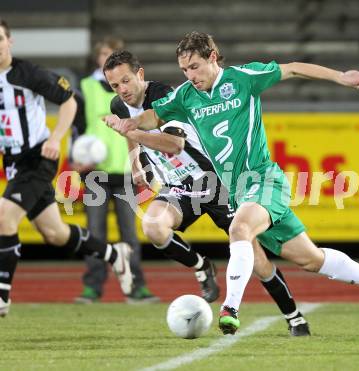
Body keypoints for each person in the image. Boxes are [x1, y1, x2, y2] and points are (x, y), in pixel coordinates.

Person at [104, 32, 359, 337]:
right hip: (237, 192)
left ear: (212, 57)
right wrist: (129, 124)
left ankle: (230, 309)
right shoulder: (185, 96)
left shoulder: (242, 78)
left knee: (239, 230)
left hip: (263, 179)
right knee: (311, 259)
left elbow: (292, 68)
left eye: (195, 67)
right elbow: (154, 116)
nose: (190, 75)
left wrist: (341, 76)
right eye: (184, 70)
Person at [103, 50, 310, 335]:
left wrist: (128, 134)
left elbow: (173, 144)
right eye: (115, 85)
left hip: (213, 183)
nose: (122, 90)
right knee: (153, 226)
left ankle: (294, 316)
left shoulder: (164, 97)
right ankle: (202, 266)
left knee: (258, 260)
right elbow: (128, 127)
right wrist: (135, 159)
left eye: (126, 81)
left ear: (140, 74)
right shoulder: (119, 105)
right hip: (179, 186)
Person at [0, 19, 133, 317]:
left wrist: (56, 138)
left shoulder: (27, 73)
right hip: (12, 163)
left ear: (10, 41)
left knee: (4, 219)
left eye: (0, 39)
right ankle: (114, 253)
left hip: (37, 159)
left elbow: (68, 101)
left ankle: (2, 295)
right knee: (55, 234)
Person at [73, 38, 157, 304]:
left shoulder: (133, 89)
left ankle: (135, 287)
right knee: (95, 233)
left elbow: (143, 128)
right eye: (103, 54)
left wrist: (142, 164)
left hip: (124, 170)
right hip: (95, 172)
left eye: (112, 54)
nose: (107, 59)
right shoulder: (86, 86)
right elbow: (77, 124)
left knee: (129, 234)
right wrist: (75, 156)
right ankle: (92, 287)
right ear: (98, 58)